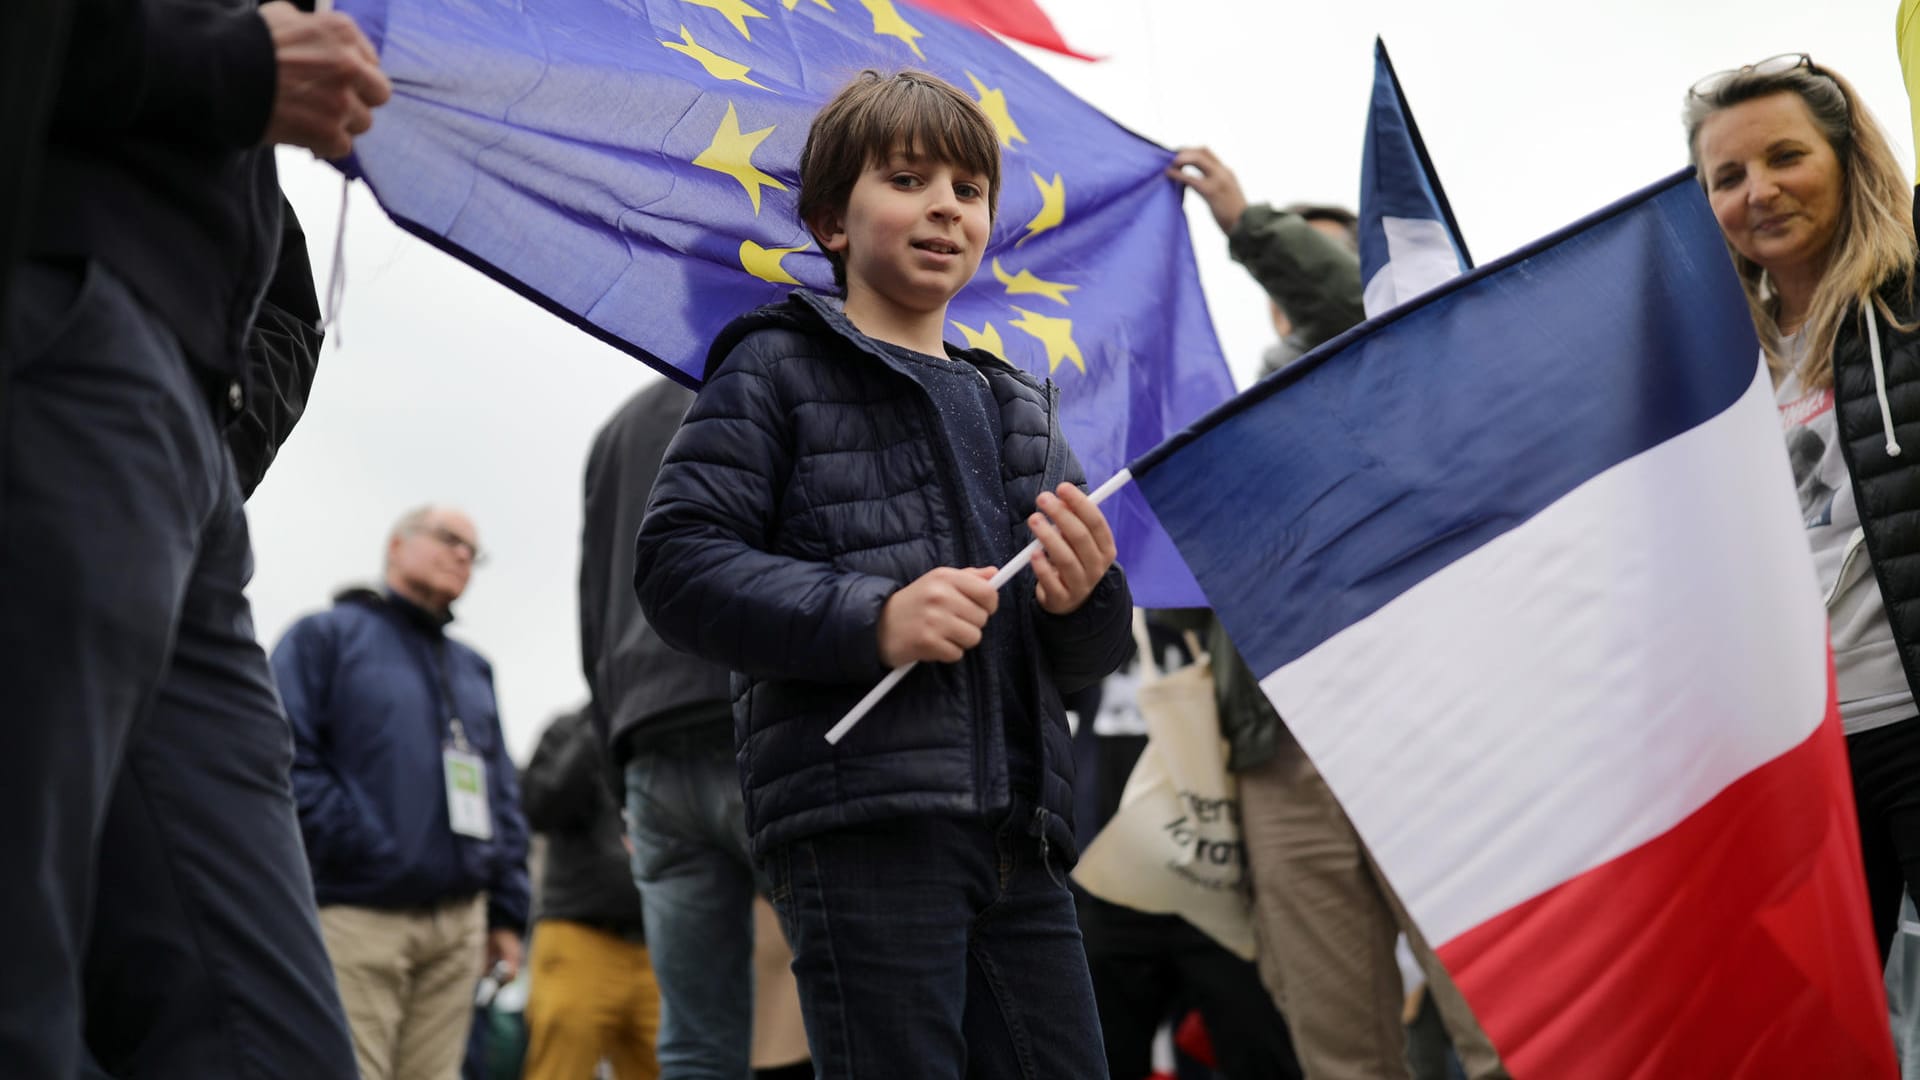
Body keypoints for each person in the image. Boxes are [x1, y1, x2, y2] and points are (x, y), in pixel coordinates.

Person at [635, 68, 1132, 1077]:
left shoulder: (1024, 408)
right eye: (908, 179)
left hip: (1024, 841)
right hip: (861, 824)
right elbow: (680, 563)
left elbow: (1087, 653)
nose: (945, 206)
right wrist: (876, 617)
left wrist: (1086, 600)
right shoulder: (774, 364)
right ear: (830, 222)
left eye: (969, 188)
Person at [1, 1, 390, 1075]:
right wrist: (229, 65)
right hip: (63, 333)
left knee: (278, 1041)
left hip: (178, 451)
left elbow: (287, 308)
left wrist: (217, 444)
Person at [1164, 147, 1505, 1080]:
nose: (1294, 282)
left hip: (1416, 740)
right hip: (1280, 761)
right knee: (1338, 1053)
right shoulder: (1236, 416)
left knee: (1500, 1029)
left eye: (1321, 262)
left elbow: (1351, 306)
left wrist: (1247, 224)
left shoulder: (1405, 387)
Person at [1686, 53, 1920, 963]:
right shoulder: (1701, 363)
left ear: (1847, 158)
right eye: (1728, 177)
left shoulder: (1908, 304)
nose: (1761, 192)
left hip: (1909, 716)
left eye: (1787, 157)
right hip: (1800, 759)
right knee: (1822, 1025)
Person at [272, 505, 532, 1080]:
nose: (463, 555)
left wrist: (507, 914)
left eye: (473, 551)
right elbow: (282, 755)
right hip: (357, 911)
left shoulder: (473, 668)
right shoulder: (324, 637)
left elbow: (500, 797)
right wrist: (360, 844)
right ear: (397, 545)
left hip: (458, 925)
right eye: (449, 539)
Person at [581, 380, 765, 1079]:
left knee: (694, 1039)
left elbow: (592, 606)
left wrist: (616, 772)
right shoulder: (790, 378)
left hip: (648, 745)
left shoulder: (619, 427)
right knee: (854, 1003)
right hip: (758, 713)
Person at [520, 704, 661, 1080]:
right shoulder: (567, 731)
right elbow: (540, 805)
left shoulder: (662, 730)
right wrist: (601, 720)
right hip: (578, 938)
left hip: (661, 944)